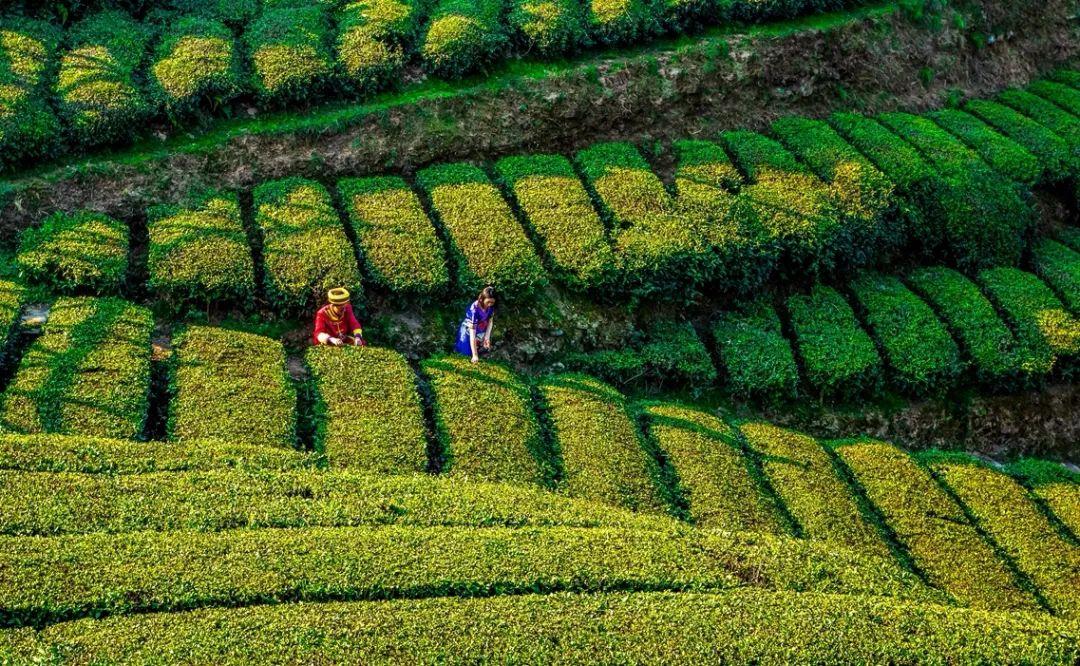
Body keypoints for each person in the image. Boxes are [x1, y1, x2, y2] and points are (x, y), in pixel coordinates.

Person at [454, 286, 496, 363]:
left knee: (483, 346)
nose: (490, 305)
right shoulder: (474, 309)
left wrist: (487, 337)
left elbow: (490, 321)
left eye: (492, 302)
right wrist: (475, 355)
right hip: (469, 329)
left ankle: (477, 350)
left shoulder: (491, 307)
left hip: (481, 328)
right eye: (488, 302)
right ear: (482, 299)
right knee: (464, 353)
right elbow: (472, 332)